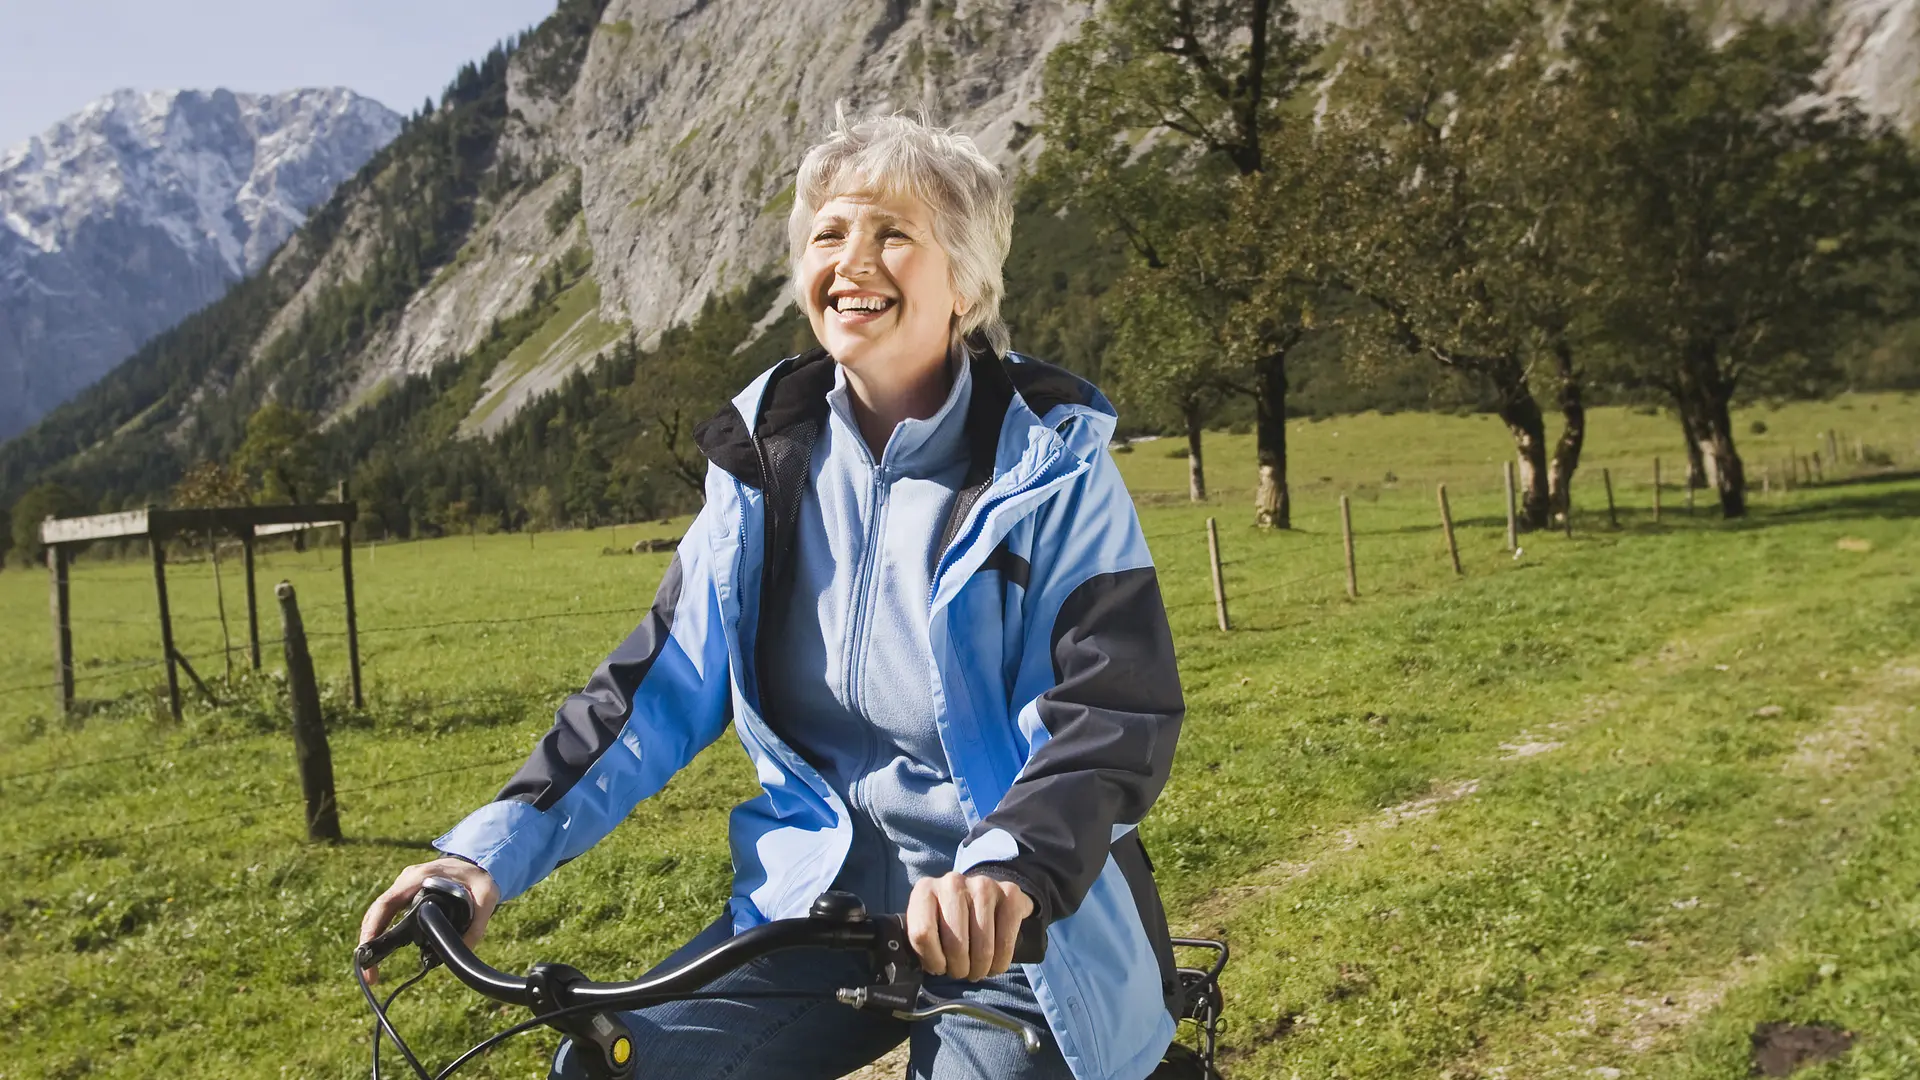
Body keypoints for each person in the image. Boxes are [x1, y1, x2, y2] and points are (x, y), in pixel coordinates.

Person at [357, 111, 1186, 1080]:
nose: (852, 259)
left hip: (1014, 934)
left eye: (893, 235)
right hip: (814, 918)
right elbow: (646, 696)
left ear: (962, 281)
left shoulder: (1051, 471)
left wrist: (1006, 870)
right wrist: (480, 857)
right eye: (829, 233)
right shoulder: (769, 464)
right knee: (609, 1070)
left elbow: (1111, 711)